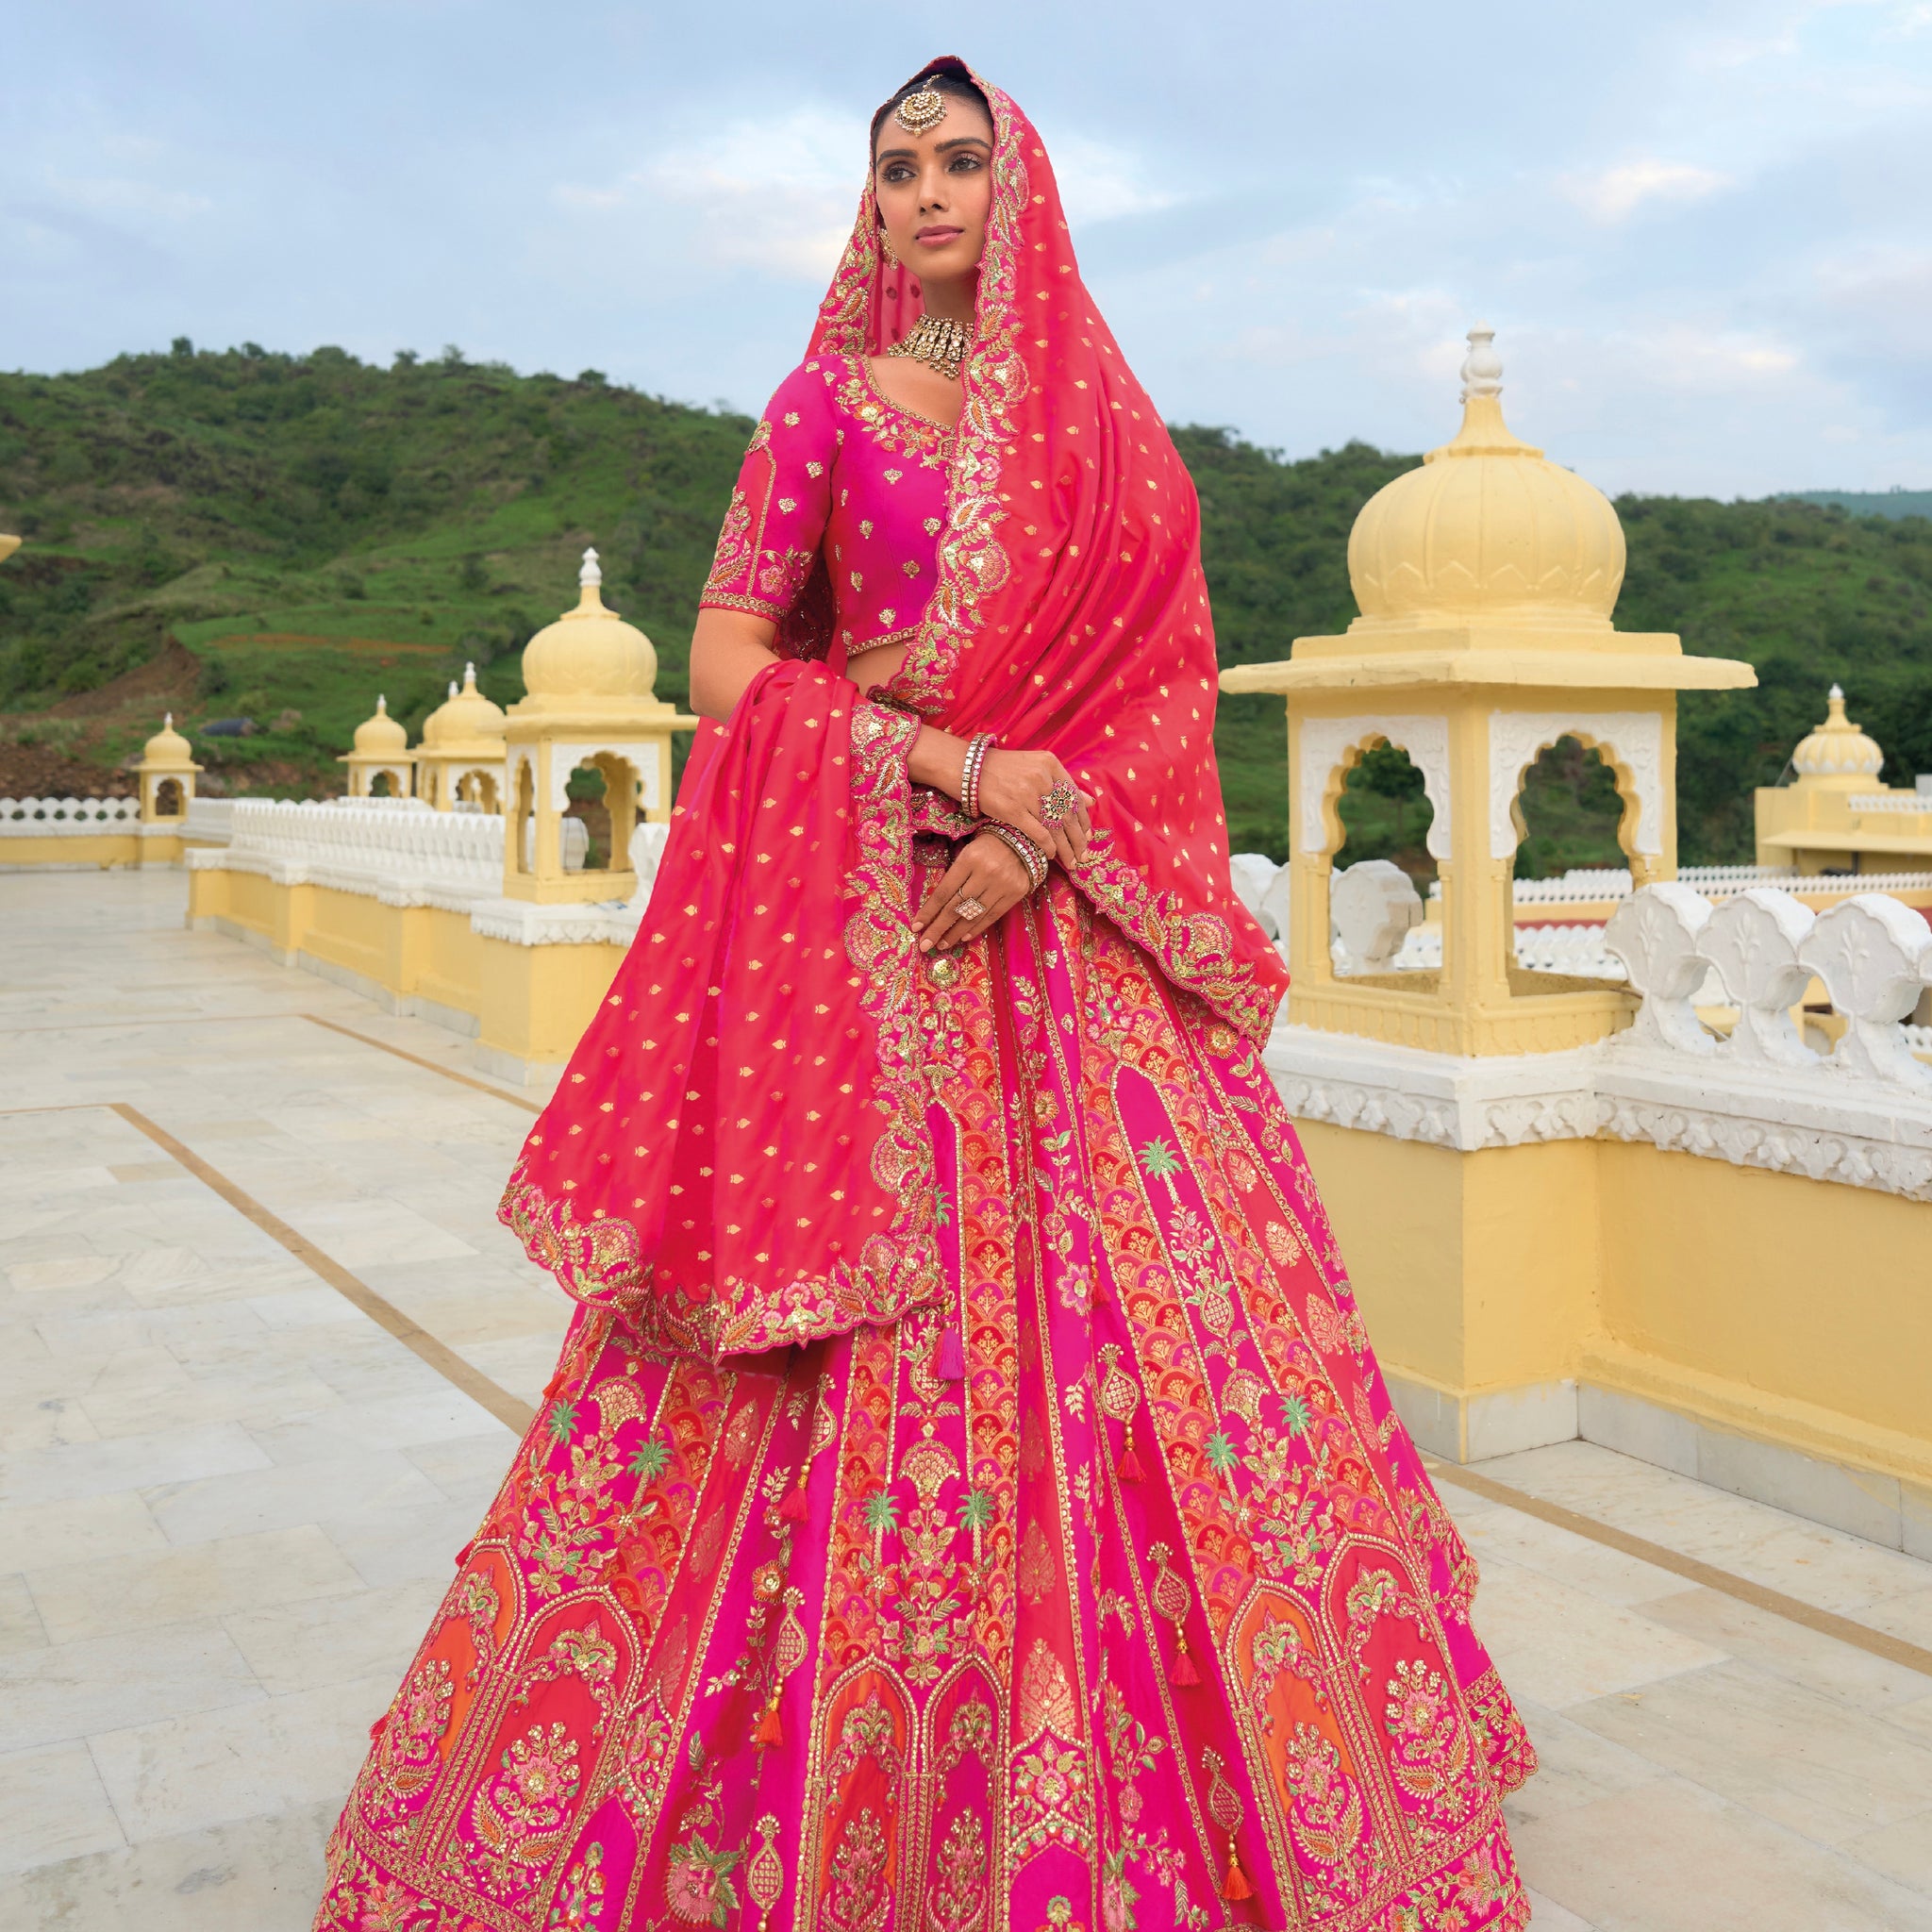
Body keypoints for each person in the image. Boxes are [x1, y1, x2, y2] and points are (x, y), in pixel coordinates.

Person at [313, 58, 1536, 1932]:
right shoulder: (820, 408)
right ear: (869, 208)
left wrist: (1041, 836)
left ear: (1020, 190)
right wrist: (955, 779)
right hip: (865, 935)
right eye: (899, 168)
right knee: (815, 1384)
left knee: (1161, 1376)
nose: (931, 191)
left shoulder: (1099, 439)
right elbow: (731, 665)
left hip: (1065, 948)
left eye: (964, 159)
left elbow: (1146, 697)